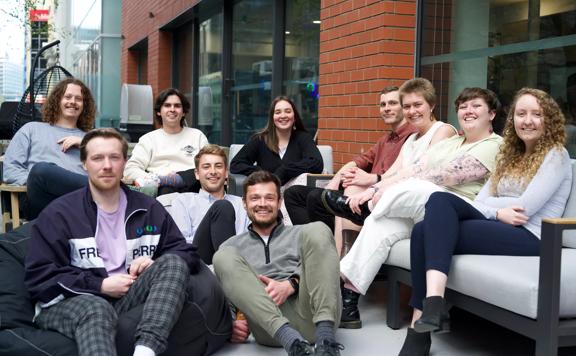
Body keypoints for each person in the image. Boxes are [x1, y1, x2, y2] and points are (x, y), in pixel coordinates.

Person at [24, 128, 231, 356]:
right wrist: (99, 286)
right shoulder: (60, 214)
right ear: (84, 164)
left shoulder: (148, 208)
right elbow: (40, 277)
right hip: (72, 302)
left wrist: (154, 262)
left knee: (173, 262)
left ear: (125, 162)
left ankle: (145, 350)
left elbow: (186, 253)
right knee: (96, 307)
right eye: (97, 158)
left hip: (127, 295)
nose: (107, 165)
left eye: (114, 157)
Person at [398, 88, 572, 356]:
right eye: (521, 114)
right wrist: (499, 212)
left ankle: (423, 327)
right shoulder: (509, 155)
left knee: (428, 227)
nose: (528, 120)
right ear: (512, 119)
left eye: (537, 114)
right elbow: (480, 199)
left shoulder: (555, 155)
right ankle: (429, 308)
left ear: (549, 120)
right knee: (431, 216)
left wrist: (494, 209)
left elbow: (525, 208)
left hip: (534, 236)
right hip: (503, 226)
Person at [324, 87, 503, 329]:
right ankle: (349, 300)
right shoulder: (452, 142)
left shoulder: (495, 144)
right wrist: (374, 190)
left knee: (418, 186)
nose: (468, 111)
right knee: (380, 224)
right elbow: (411, 169)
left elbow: (449, 176)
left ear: (491, 114)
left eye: (476, 106)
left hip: (458, 210)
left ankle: (364, 209)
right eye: (463, 107)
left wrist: (388, 189)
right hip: (421, 207)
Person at [213, 171, 343, 356]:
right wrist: (230, 322)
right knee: (222, 256)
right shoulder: (232, 246)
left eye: (269, 198)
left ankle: (326, 341)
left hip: (313, 313)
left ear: (279, 202)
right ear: (244, 203)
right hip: (269, 328)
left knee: (318, 229)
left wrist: (291, 284)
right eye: (255, 198)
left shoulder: (301, 234)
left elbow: (326, 270)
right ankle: (293, 343)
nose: (263, 204)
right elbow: (222, 293)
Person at [283, 86, 417, 253]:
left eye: (392, 103)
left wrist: (370, 178)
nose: (386, 108)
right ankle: (312, 246)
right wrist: (334, 182)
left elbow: (402, 174)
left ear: (404, 107)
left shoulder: (413, 137)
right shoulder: (385, 139)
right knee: (293, 194)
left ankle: (325, 253)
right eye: (383, 104)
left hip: (374, 197)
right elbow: (357, 162)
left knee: (315, 197)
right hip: (360, 192)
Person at [3, 77, 95, 219]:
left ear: (84, 105)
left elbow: (107, 168)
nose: (73, 102)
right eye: (68, 97)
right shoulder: (31, 129)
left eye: (79, 99)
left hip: (82, 203)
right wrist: (41, 182)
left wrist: (86, 143)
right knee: (41, 171)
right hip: (42, 202)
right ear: (57, 100)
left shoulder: (91, 139)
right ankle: (116, 192)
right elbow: (10, 170)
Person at [230, 96, 323, 224]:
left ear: (294, 117)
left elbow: (317, 163)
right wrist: (261, 172)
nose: (283, 115)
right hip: (268, 196)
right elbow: (236, 164)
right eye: (278, 112)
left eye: (288, 111)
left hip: (295, 198)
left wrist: (285, 170)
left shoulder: (303, 138)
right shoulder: (260, 140)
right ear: (272, 118)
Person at [170, 144, 249, 265]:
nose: (213, 172)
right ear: (197, 174)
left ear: (226, 173)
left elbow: (249, 241)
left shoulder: (242, 204)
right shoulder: (183, 201)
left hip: (238, 262)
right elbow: (181, 243)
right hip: (199, 263)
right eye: (206, 167)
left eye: (218, 166)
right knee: (223, 207)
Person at [123, 88, 209, 195]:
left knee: (202, 168)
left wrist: (179, 178)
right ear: (159, 112)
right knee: (166, 190)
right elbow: (130, 168)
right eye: (167, 105)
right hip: (162, 189)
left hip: (194, 188)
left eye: (177, 106)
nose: (172, 109)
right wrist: (154, 179)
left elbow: (209, 164)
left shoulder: (197, 136)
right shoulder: (148, 139)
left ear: (183, 113)